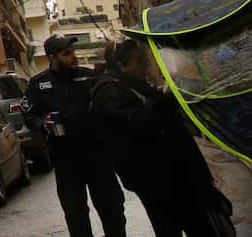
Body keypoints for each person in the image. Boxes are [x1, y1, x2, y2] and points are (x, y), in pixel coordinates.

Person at [92, 39, 228, 237]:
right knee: (172, 227)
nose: (145, 67)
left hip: (173, 173)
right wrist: (168, 98)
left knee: (197, 224)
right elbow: (139, 122)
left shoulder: (136, 85)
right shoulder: (109, 91)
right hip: (154, 179)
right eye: (139, 62)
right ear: (121, 65)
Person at [23, 34, 127, 237]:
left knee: (112, 209)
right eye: (67, 53)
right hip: (66, 161)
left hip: (98, 158)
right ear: (53, 58)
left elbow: (109, 107)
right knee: (76, 215)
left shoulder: (89, 77)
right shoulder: (38, 84)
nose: (73, 57)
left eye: (73, 52)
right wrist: (42, 123)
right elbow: (29, 115)